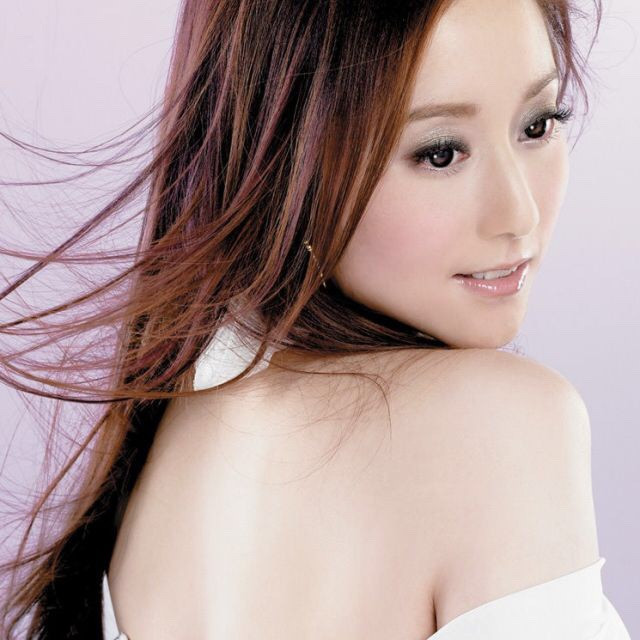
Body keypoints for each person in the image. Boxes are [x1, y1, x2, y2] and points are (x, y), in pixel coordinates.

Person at [0, 0, 631, 638]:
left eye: (539, 124)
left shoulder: (169, 437)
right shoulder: (501, 424)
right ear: (291, 164)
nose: (518, 214)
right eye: (440, 153)